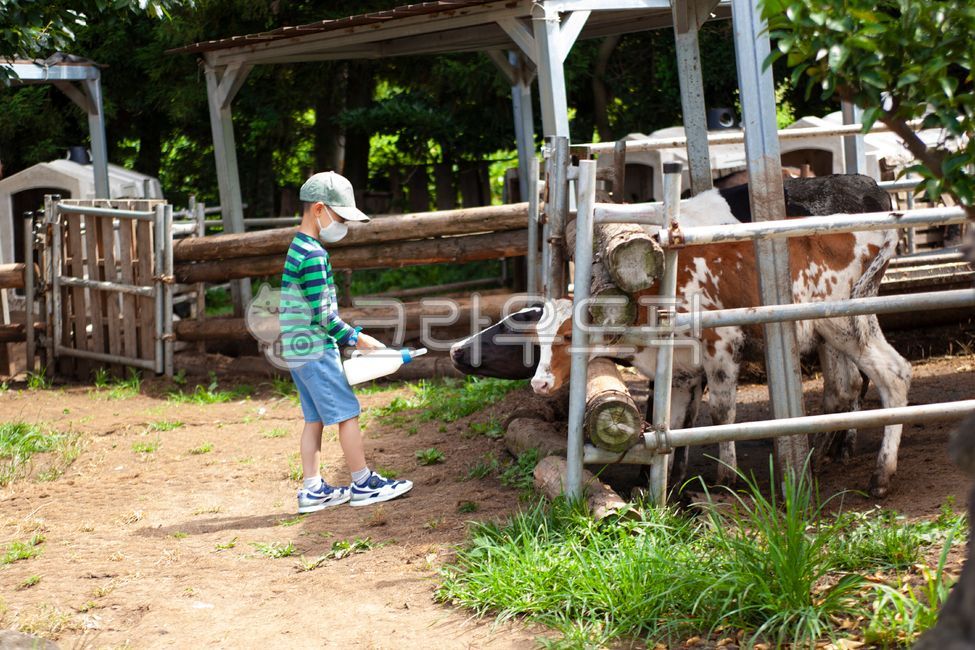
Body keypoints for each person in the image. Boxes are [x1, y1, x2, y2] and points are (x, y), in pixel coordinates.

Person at [280, 171, 413, 513]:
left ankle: (313, 489)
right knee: (347, 413)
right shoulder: (313, 255)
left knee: (314, 418)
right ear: (319, 209)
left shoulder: (297, 247)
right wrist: (357, 338)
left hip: (295, 347)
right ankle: (363, 481)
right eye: (340, 217)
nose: (342, 225)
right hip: (314, 346)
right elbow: (323, 314)